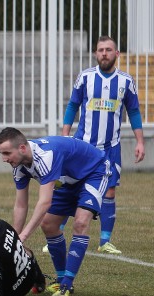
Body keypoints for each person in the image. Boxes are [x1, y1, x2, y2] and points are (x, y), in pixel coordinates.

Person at [0, 127, 110, 296]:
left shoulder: (45, 156)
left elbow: (44, 202)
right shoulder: (19, 166)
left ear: (22, 148)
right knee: (49, 225)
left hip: (94, 172)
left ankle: (67, 285)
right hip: (66, 181)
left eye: (6, 153)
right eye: (2, 154)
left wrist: (24, 235)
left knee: (80, 222)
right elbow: (20, 204)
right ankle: (61, 278)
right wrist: (15, 237)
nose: (4, 159)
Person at [61, 35, 145, 254]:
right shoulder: (85, 77)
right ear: (96, 53)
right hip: (82, 146)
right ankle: (56, 233)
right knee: (70, 188)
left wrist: (140, 142)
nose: (104, 53)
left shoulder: (126, 81)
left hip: (111, 147)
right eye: (100, 50)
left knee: (109, 192)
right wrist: (65, 136)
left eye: (109, 50)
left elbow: (134, 112)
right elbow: (72, 106)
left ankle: (104, 241)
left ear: (117, 54)